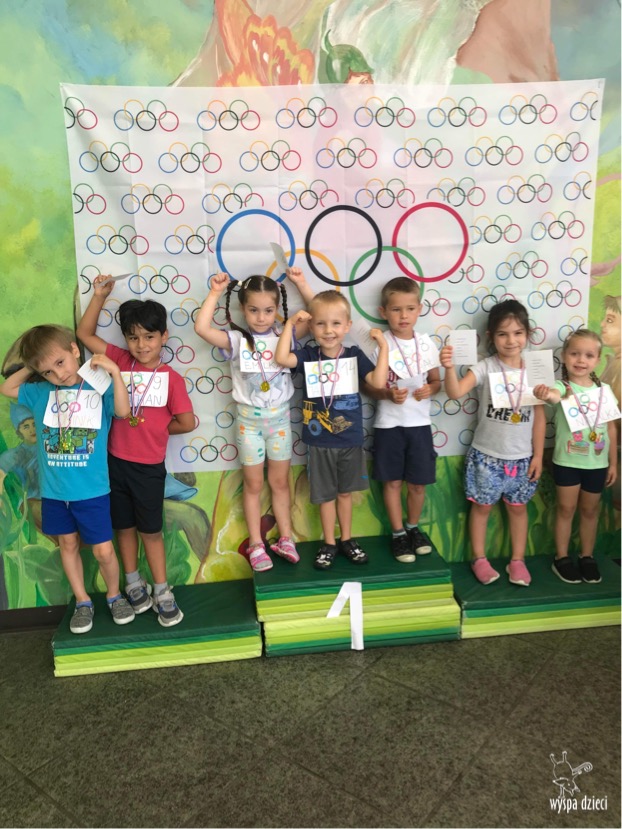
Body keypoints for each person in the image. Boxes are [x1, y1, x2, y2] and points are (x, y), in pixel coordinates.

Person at [0, 324, 135, 633]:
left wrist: (115, 373)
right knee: (68, 545)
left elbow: (123, 412)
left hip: (92, 491)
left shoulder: (97, 386)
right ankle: (83, 602)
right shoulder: (39, 392)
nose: (58, 374)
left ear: (75, 350)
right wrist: (33, 365)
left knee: (103, 551)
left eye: (60, 362)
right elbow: (7, 388)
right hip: (54, 493)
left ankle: (114, 596)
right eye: (48, 371)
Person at [76, 281, 195, 626]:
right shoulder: (119, 359)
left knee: (151, 531)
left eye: (149, 337)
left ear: (164, 336)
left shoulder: (171, 379)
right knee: (124, 527)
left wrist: (156, 430)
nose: (141, 345)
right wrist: (99, 296)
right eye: (133, 337)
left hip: (148, 468)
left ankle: (162, 590)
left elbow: (187, 422)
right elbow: (84, 334)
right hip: (113, 464)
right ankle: (132, 582)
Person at [194, 268, 314, 572]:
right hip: (249, 424)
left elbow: (317, 316)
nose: (261, 317)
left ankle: (285, 538)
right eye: (253, 310)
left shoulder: (285, 334)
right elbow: (202, 328)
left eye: (268, 310)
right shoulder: (236, 340)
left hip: (280, 422)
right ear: (242, 309)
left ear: (277, 309)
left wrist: (301, 283)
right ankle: (257, 544)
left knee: (280, 483)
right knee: (253, 484)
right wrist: (215, 292)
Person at [276, 290, 388, 569]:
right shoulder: (308, 355)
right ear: (312, 327)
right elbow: (282, 359)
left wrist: (383, 347)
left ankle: (347, 539)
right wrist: (290, 326)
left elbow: (377, 381)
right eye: (321, 324)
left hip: (350, 439)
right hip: (319, 440)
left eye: (336, 324)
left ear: (347, 326)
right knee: (325, 496)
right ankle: (329, 542)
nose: (329, 331)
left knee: (345, 494)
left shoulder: (354, 355)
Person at [440, 300, 545, 586]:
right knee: (482, 508)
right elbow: (455, 393)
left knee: (518, 508)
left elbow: (539, 417)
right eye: (503, 334)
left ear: (528, 334)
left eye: (518, 333)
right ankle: (479, 558)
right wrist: (448, 368)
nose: (511, 340)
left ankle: (517, 560)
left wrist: (537, 456)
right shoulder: (485, 367)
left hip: (522, 458)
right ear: (490, 336)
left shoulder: (535, 369)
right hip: (486, 456)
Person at [363, 277, 441, 563]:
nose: (403, 315)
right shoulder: (378, 345)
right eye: (396, 309)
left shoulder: (427, 344)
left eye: (410, 309)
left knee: (418, 484)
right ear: (384, 312)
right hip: (389, 426)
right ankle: (398, 534)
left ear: (419, 309)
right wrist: (386, 394)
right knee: (392, 482)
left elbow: (436, 381)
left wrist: (430, 389)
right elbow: (367, 387)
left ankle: (413, 528)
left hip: (419, 426)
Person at [533, 329, 617, 584]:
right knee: (566, 509)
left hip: (597, 464)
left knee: (590, 511)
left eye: (589, 355)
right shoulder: (564, 387)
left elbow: (611, 428)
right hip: (567, 462)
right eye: (575, 354)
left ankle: (587, 556)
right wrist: (545, 394)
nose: (581, 360)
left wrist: (613, 463)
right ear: (564, 356)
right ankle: (561, 558)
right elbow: (553, 396)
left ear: (598, 360)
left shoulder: (604, 390)